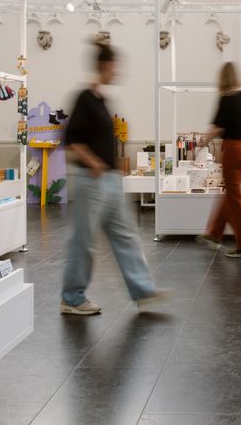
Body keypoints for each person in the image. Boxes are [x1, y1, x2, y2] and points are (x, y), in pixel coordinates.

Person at [61, 42, 168, 314]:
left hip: (109, 181)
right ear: (105, 65)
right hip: (92, 180)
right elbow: (71, 140)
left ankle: (143, 290)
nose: (118, 71)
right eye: (114, 66)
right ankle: (72, 298)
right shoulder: (85, 98)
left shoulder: (101, 100)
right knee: (84, 241)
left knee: (126, 235)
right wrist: (94, 162)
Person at [196, 62, 241, 258]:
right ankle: (214, 234)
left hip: (234, 151)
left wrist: (202, 142)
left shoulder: (226, 99)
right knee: (231, 193)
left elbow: (217, 128)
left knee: (236, 198)